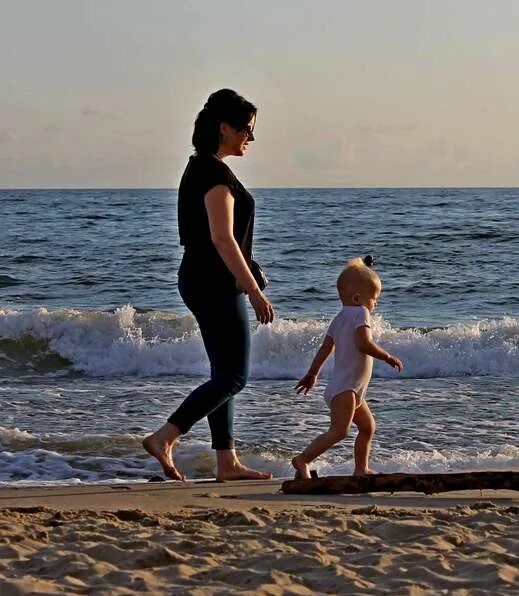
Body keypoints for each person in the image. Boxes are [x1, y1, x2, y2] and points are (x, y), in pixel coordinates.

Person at [142, 88, 274, 482]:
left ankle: (226, 462)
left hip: (201, 278)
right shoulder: (214, 173)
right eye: (246, 129)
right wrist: (253, 290)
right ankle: (167, 436)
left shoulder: (201, 166)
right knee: (234, 377)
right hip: (214, 282)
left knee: (223, 373)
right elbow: (222, 238)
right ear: (224, 127)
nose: (250, 138)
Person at [291, 256, 403, 479]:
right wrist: (387, 356)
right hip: (346, 390)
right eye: (374, 298)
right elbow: (364, 343)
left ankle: (361, 469)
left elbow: (325, 349)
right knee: (339, 432)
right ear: (357, 298)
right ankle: (302, 459)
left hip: (348, 388)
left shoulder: (338, 319)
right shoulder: (361, 313)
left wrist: (313, 374)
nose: (375, 303)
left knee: (367, 427)